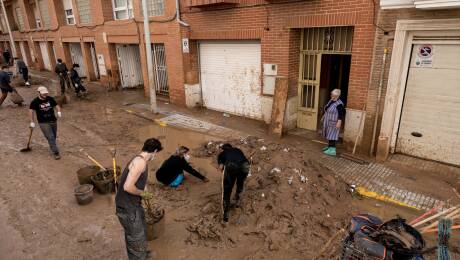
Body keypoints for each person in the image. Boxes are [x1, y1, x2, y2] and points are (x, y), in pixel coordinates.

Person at [115, 138, 163, 260]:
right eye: (156, 153)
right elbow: (127, 187)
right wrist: (142, 193)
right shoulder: (140, 163)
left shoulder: (139, 159)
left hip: (133, 205)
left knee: (140, 232)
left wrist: (144, 190)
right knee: (135, 237)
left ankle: (141, 253)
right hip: (128, 208)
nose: (155, 156)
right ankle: (138, 256)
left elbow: (137, 181)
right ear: (154, 151)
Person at [217, 143, 250, 222]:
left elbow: (221, 167)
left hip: (232, 166)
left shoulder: (222, 154)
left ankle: (226, 215)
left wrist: (222, 167)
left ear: (223, 149)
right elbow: (242, 158)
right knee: (240, 183)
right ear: (231, 147)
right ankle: (237, 201)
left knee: (227, 189)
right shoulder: (238, 150)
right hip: (245, 165)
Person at [29, 86, 62, 160]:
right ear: (39, 93)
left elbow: (56, 105)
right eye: (43, 94)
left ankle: (52, 145)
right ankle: (56, 152)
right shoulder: (35, 102)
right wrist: (32, 121)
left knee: (53, 136)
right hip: (43, 122)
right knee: (50, 137)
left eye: (46, 93)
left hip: (53, 121)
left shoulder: (50, 99)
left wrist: (59, 111)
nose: (45, 95)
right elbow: (31, 111)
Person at [322, 89, 345, 156]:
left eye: (334, 96)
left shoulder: (339, 104)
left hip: (334, 122)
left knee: (333, 135)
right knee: (329, 134)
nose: (332, 97)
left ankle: (332, 150)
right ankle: (329, 147)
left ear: (338, 96)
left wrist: (339, 122)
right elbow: (327, 109)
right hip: (329, 120)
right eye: (332, 95)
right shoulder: (331, 101)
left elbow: (341, 114)